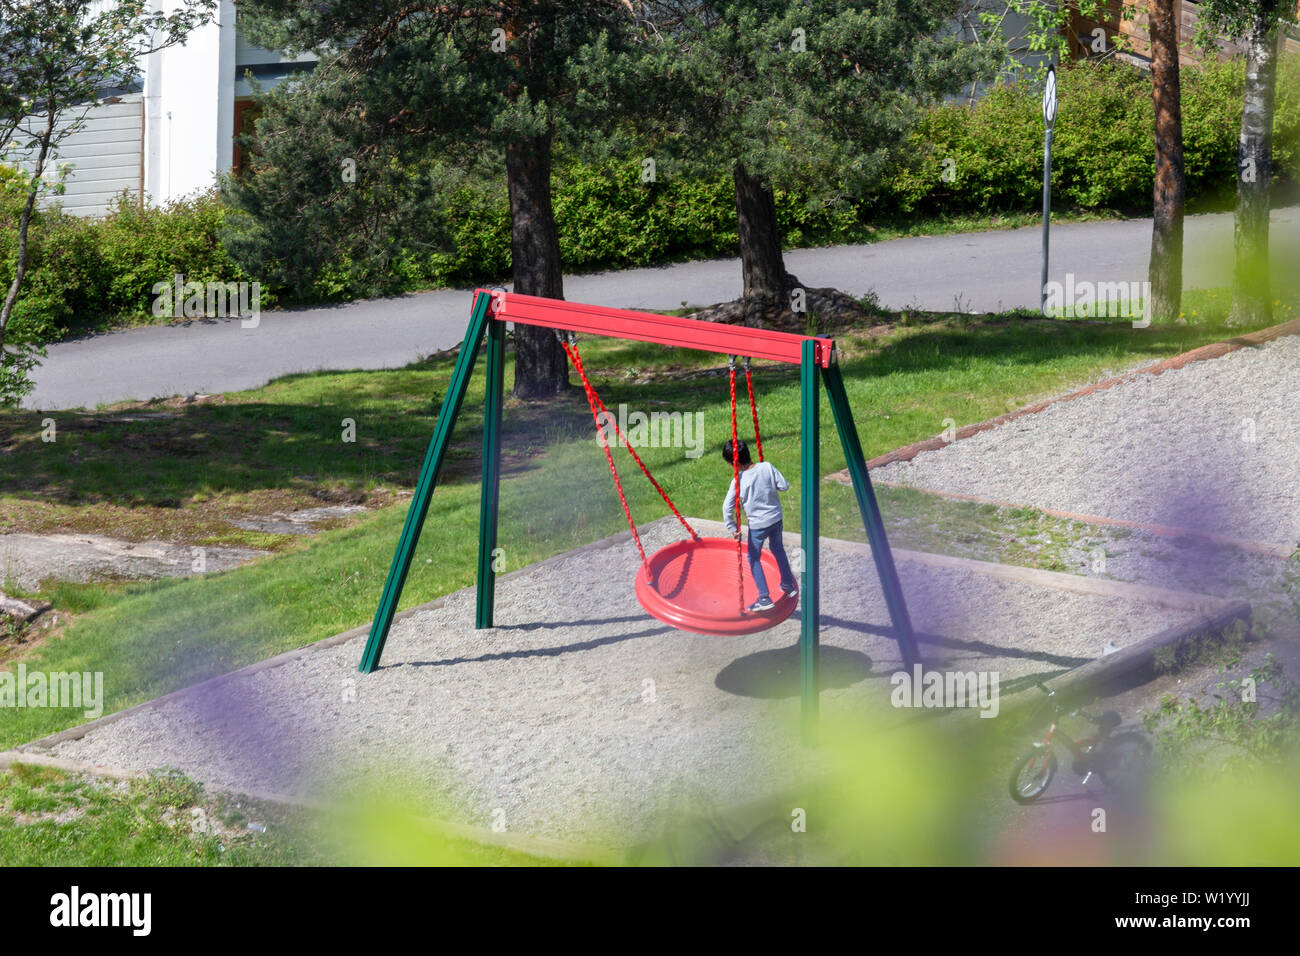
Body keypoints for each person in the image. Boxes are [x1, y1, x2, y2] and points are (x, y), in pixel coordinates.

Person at [722, 439, 798, 612]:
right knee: (778, 549)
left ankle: (764, 597)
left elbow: (727, 507)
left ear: (732, 463)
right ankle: (788, 584)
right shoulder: (767, 467)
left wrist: (733, 528)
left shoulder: (738, 481)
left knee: (754, 558)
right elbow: (784, 486)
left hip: (758, 526)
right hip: (776, 519)